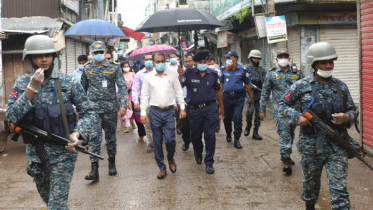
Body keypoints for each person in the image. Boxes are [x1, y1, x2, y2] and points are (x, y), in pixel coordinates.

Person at [6, 35, 98, 209]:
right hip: (36, 156)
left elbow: (89, 112)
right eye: (39, 55)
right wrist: (32, 88)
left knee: (56, 206)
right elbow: (12, 116)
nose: (44, 59)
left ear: (54, 56)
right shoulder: (22, 83)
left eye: (48, 54)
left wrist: (77, 134)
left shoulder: (68, 82)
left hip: (63, 154)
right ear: (30, 59)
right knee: (52, 203)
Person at [277, 42, 356, 210]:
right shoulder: (301, 85)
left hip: (337, 145)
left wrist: (347, 117)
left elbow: (352, 109)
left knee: (340, 191)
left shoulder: (340, 86)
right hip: (310, 146)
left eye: (331, 62)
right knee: (311, 185)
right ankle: (310, 204)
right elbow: (281, 105)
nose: (328, 66)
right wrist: (297, 116)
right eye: (323, 62)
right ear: (314, 64)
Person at [81, 41, 127, 181]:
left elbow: (122, 86)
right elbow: (82, 89)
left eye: (101, 52)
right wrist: (81, 108)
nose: (99, 55)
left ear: (105, 52)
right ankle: (94, 169)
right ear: (92, 54)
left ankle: (111, 164)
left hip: (110, 109)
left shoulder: (114, 67)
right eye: (96, 53)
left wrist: (123, 105)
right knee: (94, 139)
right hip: (93, 110)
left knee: (111, 138)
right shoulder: (87, 68)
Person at [140, 52, 186, 179]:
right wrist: (143, 113)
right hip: (154, 111)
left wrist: (182, 108)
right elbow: (144, 95)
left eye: (162, 61)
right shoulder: (148, 77)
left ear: (165, 61)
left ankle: (170, 158)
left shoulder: (172, 76)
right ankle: (161, 167)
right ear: (154, 63)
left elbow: (179, 92)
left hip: (169, 111)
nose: (160, 64)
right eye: (157, 62)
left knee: (170, 139)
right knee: (157, 140)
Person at [178, 50, 224, 174]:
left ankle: (209, 161)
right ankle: (198, 151)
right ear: (195, 63)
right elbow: (179, 86)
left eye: (205, 62)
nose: (203, 64)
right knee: (196, 136)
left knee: (210, 135)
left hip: (210, 109)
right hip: (194, 110)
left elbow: (218, 92)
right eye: (200, 62)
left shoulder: (213, 74)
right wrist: (180, 75)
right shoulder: (188, 73)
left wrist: (222, 108)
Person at [259, 49, 303, 175]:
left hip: (295, 110)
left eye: (285, 56)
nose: (283, 58)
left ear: (289, 58)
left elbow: (305, 89)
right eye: (280, 57)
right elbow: (265, 92)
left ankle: (285, 154)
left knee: (291, 133)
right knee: (284, 134)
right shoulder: (271, 74)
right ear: (276, 59)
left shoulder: (297, 72)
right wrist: (262, 109)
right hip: (280, 111)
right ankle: (286, 159)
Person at [219, 51, 253, 149]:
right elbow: (220, 85)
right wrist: (218, 99)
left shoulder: (242, 70)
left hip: (239, 97)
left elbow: (247, 84)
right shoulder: (223, 69)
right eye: (227, 58)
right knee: (227, 118)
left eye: (229, 58)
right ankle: (228, 133)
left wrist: (250, 97)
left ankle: (237, 138)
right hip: (226, 97)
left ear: (235, 59)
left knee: (238, 118)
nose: (228, 60)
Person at [132, 53, 154, 152]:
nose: (149, 61)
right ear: (143, 61)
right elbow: (135, 89)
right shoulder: (139, 74)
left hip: (158, 102)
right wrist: (136, 101)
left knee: (159, 123)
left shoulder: (159, 72)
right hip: (145, 102)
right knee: (147, 124)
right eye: (147, 59)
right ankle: (151, 143)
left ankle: (159, 139)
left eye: (150, 59)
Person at [244, 50, 267, 139]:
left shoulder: (262, 69)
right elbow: (241, 80)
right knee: (249, 111)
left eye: (258, 58)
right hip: (249, 94)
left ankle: (255, 131)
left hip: (259, 93)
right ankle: (248, 125)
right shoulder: (246, 68)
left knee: (258, 113)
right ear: (250, 58)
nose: (256, 60)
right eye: (254, 58)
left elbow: (266, 82)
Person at [179, 53, 194, 151]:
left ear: (193, 61)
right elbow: (178, 87)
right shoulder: (182, 73)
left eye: (189, 61)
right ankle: (186, 141)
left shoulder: (198, 72)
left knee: (195, 125)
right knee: (184, 125)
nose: (188, 63)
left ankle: (196, 143)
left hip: (194, 101)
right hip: (183, 102)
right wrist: (180, 75)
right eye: (186, 61)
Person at [166, 53, 182, 135]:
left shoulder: (181, 66)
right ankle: (173, 127)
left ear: (177, 57)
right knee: (174, 109)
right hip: (170, 89)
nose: (172, 59)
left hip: (180, 88)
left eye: (174, 57)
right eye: (171, 57)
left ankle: (180, 126)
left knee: (180, 109)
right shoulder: (166, 66)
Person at [122, 61, 136, 133]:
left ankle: (132, 122)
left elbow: (136, 84)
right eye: (125, 66)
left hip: (132, 94)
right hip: (124, 94)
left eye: (127, 66)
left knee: (131, 110)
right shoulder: (121, 75)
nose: (126, 68)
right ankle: (127, 126)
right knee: (126, 110)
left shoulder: (133, 74)